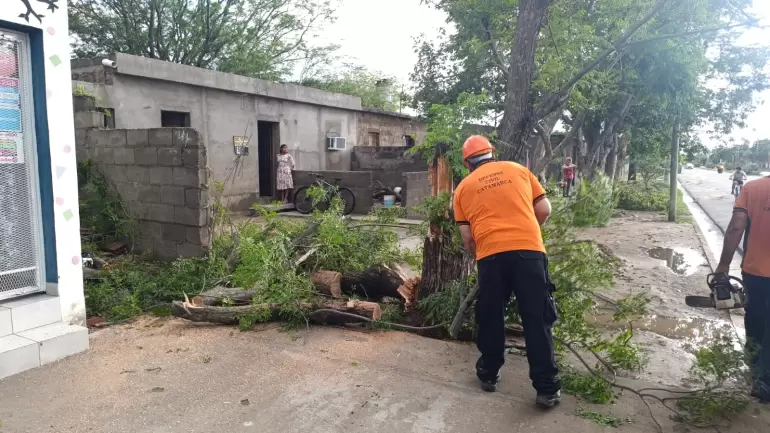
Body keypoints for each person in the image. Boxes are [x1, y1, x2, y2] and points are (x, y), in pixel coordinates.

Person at [453, 135, 561, 408]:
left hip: (491, 257)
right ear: (492, 153)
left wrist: (486, 256)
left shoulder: (463, 188)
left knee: (491, 315)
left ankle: (489, 374)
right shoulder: (518, 170)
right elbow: (544, 209)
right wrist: (529, 233)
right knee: (537, 319)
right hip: (530, 253)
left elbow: (467, 239)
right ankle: (547, 389)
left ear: (467, 163)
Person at [714, 172, 770, 402]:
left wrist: (723, 265)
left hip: (755, 270)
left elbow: (737, 228)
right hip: (755, 269)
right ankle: (765, 381)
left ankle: (755, 369)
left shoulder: (752, 188)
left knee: (756, 315)